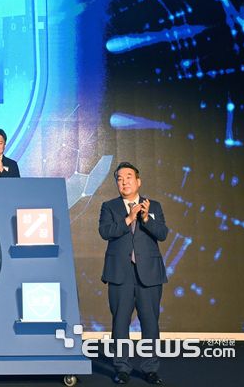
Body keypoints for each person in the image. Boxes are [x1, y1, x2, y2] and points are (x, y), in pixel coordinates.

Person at [98, 162, 168, 385]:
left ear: (138, 181)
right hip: (120, 273)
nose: (124, 182)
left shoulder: (153, 206)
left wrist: (145, 219)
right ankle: (122, 368)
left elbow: (163, 233)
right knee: (120, 323)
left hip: (149, 274)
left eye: (128, 177)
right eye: (119, 179)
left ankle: (150, 368)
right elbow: (105, 232)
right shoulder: (109, 206)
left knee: (150, 323)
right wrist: (128, 218)